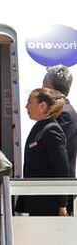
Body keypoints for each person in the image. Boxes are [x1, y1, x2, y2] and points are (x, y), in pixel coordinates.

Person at [15, 88, 70, 216]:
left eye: (29, 102)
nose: (26, 106)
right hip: (37, 200)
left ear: (42, 106)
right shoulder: (39, 127)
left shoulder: (51, 130)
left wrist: (62, 204)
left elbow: (61, 169)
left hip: (49, 203)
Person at [42, 64, 77, 215]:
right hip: (52, 193)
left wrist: (62, 202)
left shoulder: (64, 115)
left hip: (54, 195)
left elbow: (60, 158)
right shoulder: (63, 113)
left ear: (49, 86)